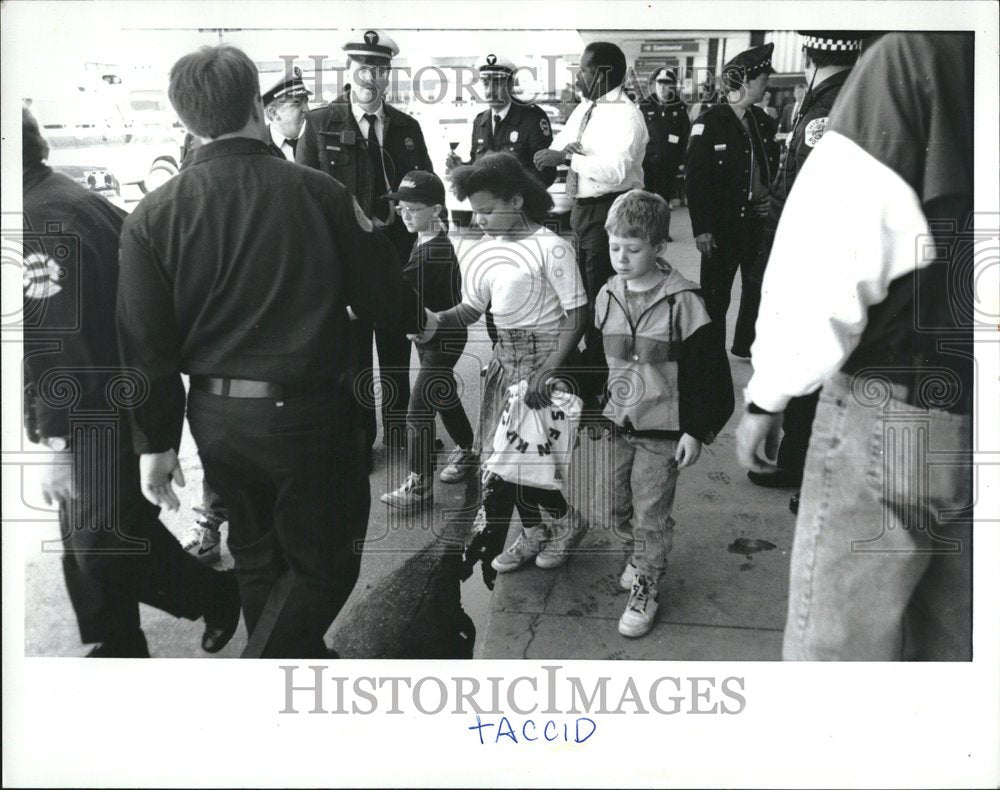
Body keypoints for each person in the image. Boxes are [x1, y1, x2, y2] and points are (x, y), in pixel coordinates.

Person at [116, 45, 429, 659]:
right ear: (258, 108)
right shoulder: (321, 194)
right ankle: (269, 675)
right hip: (313, 413)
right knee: (325, 564)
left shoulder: (151, 216)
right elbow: (387, 301)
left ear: (187, 122)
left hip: (218, 419)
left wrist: (154, 444)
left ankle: (296, 660)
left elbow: (144, 349)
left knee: (259, 556)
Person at [735, 33, 973, 661]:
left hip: (905, 399)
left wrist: (769, 395)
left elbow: (833, 254)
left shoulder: (916, 57)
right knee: (958, 656)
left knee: (837, 655)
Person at [22, 108, 240, 657]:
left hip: (99, 400)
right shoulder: (58, 197)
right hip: (116, 391)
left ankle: (215, 593)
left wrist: (56, 440)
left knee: (100, 543)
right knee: (82, 538)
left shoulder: (40, 218)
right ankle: (117, 644)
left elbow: (61, 346)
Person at [425, 152, 590, 573]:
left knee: (532, 464)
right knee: (503, 461)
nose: (478, 219)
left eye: (487, 210)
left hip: (543, 367)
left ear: (517, 201)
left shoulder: (552, 247)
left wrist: (550, 367)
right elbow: (470, 308)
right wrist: (433, 321)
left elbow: (576, 314)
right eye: (474, 211)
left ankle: (567, 523)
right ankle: (535, 531)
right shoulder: (483, 251)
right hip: (505, 365)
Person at [594, 190, 733, 638]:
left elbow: (709, 373)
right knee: (613, 505)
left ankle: (647, 584)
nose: (621, 257)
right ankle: (639, 556)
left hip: (663, 430)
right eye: (614, 247)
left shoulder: (684, 303)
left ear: (658, 247)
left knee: (649, 513)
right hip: (616, 422)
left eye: (632, 249)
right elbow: (598, 360)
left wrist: (695, 430)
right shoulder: (607, 294)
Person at [297, 29, 434, 452]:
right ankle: (359, 439)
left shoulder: (406, 127)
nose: (371, 76)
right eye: (364, 67)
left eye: (380, 68)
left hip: (394, 259)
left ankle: (396, 433)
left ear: (388, 74)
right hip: (344, 264)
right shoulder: (320, 124)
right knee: (354, 359)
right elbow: (304, 198)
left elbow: (428, 189)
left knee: (395, 352)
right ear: (348, 70)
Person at [742, 32, 863, 498]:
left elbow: (806, 196)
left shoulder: (823, 110)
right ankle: (801, 464)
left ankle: (802, 471)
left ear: (810, 57)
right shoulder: (852, 97)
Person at [533, 41, 649, 409]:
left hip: (610, 211)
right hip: (583, 211)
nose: (577, 76)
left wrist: (567, 157)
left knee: (602, 299)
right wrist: (552, 154)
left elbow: (615, 171)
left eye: (583, 69)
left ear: (602, 73)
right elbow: (563, 143)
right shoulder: (587, 108)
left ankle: (602, 392)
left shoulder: (626, 116)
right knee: (582, 294)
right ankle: (590, 377)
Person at [378, 171, 476, 509]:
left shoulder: (431, 252)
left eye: (412, 209)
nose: (404, 215)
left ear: (435, 210)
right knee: (442, 393)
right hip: (430, 332)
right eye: (400, 209)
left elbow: (392, 295)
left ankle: (420, 484)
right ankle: (466, 449)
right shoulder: (427, 236)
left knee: (418, 410)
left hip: (442, 336)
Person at [685, 42, 779, 358]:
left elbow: (773, 169)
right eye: (763, 76)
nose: (768, 83)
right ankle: (711, 352)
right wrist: (702, 229)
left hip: (756, 223)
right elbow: (696, 180)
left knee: (755, 288)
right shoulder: (710, 122)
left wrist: (769, 196)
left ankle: (745, 346)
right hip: (721, 226)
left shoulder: (764, 122)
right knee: (715, 293)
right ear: (746, 81)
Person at [639, 67, 691, 226]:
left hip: (669, 162)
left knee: (663, 198)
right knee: (646, 198)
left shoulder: (680, 107)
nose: (662, 86)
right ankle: (646, 229)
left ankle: (661, 230)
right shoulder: (645, 105)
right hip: (647, 161)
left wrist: (683, 162)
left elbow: (685, 137)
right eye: (660, 83)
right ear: (655, 84)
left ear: (672, 86)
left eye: (667, 83)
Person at [262, 66, 312, 162]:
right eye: (297, 103)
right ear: (274, 112)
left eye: (306, 102)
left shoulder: (316, 139)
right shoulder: (259, 144)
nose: (307, 110)